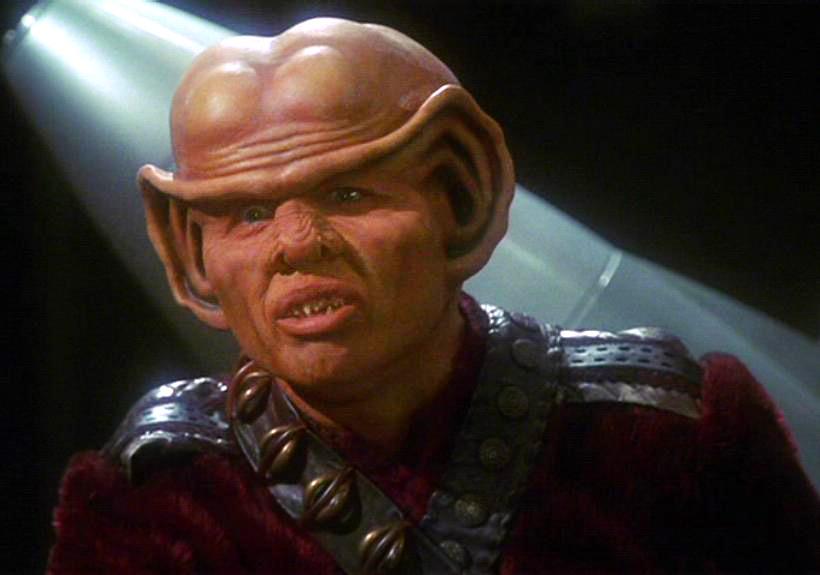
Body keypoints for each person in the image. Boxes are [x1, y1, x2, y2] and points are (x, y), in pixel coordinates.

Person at [47, 18, 819, 574]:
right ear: (192, 253)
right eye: (248, 213)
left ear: (461, 196)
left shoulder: (670, 433)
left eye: (347, 192)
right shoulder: (155, 497)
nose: (297, 244)